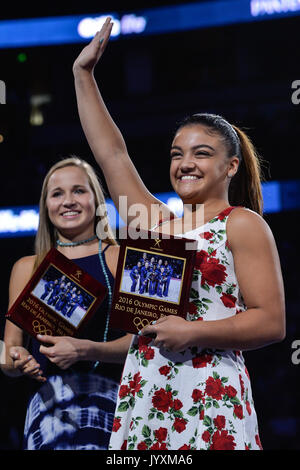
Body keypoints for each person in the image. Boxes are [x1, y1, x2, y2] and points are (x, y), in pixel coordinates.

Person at [72, 18, 285, 450]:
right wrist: (83, 74)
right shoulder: (154, 222)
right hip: (146, 389)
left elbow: (272, 321)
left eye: (201, 153)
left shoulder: (241, 223)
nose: (185, 162)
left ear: (231, 166)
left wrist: (193, 332)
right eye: (176, 154)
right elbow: (112, 153)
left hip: (209, 393)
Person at [2, 156, 132, 450]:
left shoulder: (121, 259)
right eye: (57, 193)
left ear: (96, 200)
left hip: (115, 404)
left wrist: (86, 350)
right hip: (50, 411)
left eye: (79, 191)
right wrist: (17, 360)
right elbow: (8, 349)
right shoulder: (26, 267)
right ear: (46, 206)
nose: (68, 201)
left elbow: (144, 346)